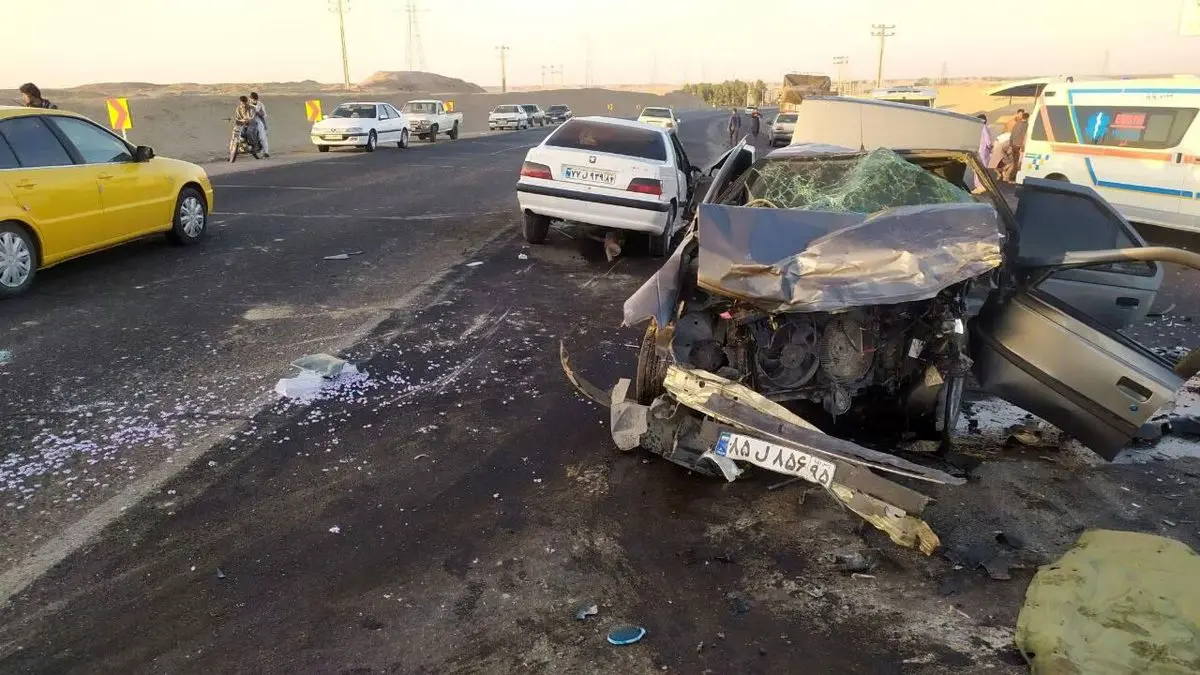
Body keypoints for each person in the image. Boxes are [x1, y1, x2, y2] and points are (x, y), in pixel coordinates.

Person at [969, 113, 994, 192]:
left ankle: (980, 186)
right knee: (979, 168)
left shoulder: (982, 128)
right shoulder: (982, 128)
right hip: (981, 151)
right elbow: (988, 140)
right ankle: (981, 185)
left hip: (981, 151)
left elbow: (987, 140)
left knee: (979, 168)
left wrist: (990, 146)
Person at [1003, 111, 1029, 182]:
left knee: (1014, 162)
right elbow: (1024, 136)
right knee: (1016, 164)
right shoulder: (1026, 125)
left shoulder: (1016, 124)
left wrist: (1011, 144)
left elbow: (1012, 135)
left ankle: (1006, 171)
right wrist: (1022, 147)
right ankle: (1008, 177)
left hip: (1013, 145)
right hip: (1019, 146)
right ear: (1027, 118)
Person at [250, 92, 269, 158]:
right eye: (253, 99)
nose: (254, 100)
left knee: (262, 137)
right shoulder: (247, 104)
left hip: (258, 121)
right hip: (248, 122)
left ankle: (266, 152)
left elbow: (264, 114)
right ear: (250, 98)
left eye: (255, 99)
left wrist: (258, 113)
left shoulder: (260, 104)